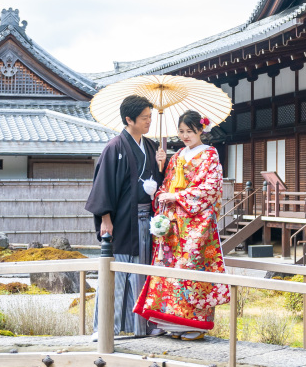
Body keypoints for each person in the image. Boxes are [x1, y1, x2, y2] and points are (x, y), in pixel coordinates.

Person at [133, 108, 229, 340]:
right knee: (170, 272)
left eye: (190, 131)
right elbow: (167, 185)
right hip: (175, 224)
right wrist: (161, 178)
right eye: (182, 131)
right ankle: (174, 324)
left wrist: (177, 197)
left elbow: (211, 188)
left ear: (201, 130)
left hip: (197, 225)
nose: (185, 136)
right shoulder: (176, 156)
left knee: (191, 270)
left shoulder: (209, 154)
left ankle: (195, 325)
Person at [85, 94, 166, 339]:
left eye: (151, 117)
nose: (149, 122)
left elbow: (160, 184)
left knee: (142, 273)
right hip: (121, 220)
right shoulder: (114, 148)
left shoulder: (153, 147)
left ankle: (140, 326)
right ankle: (105, 327)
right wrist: (105, 219)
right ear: (129, 119)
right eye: (144, 118)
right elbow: (104, 185)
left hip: (147, 221)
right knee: (117, 273)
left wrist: (162, 166)